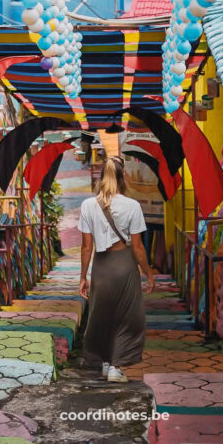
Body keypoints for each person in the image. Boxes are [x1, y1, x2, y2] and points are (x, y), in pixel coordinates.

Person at [78, 155, 155, 383]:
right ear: (123, 177)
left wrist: (83, 277)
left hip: (101, 267)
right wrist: (149, 274)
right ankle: (116, 366)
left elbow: (85, 247)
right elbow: (138, 247)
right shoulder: (132, 206)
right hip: (124, 266)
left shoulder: (88, 205)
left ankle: (104, 363)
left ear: (102, 177)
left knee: (102, 315)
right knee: (127, 317)